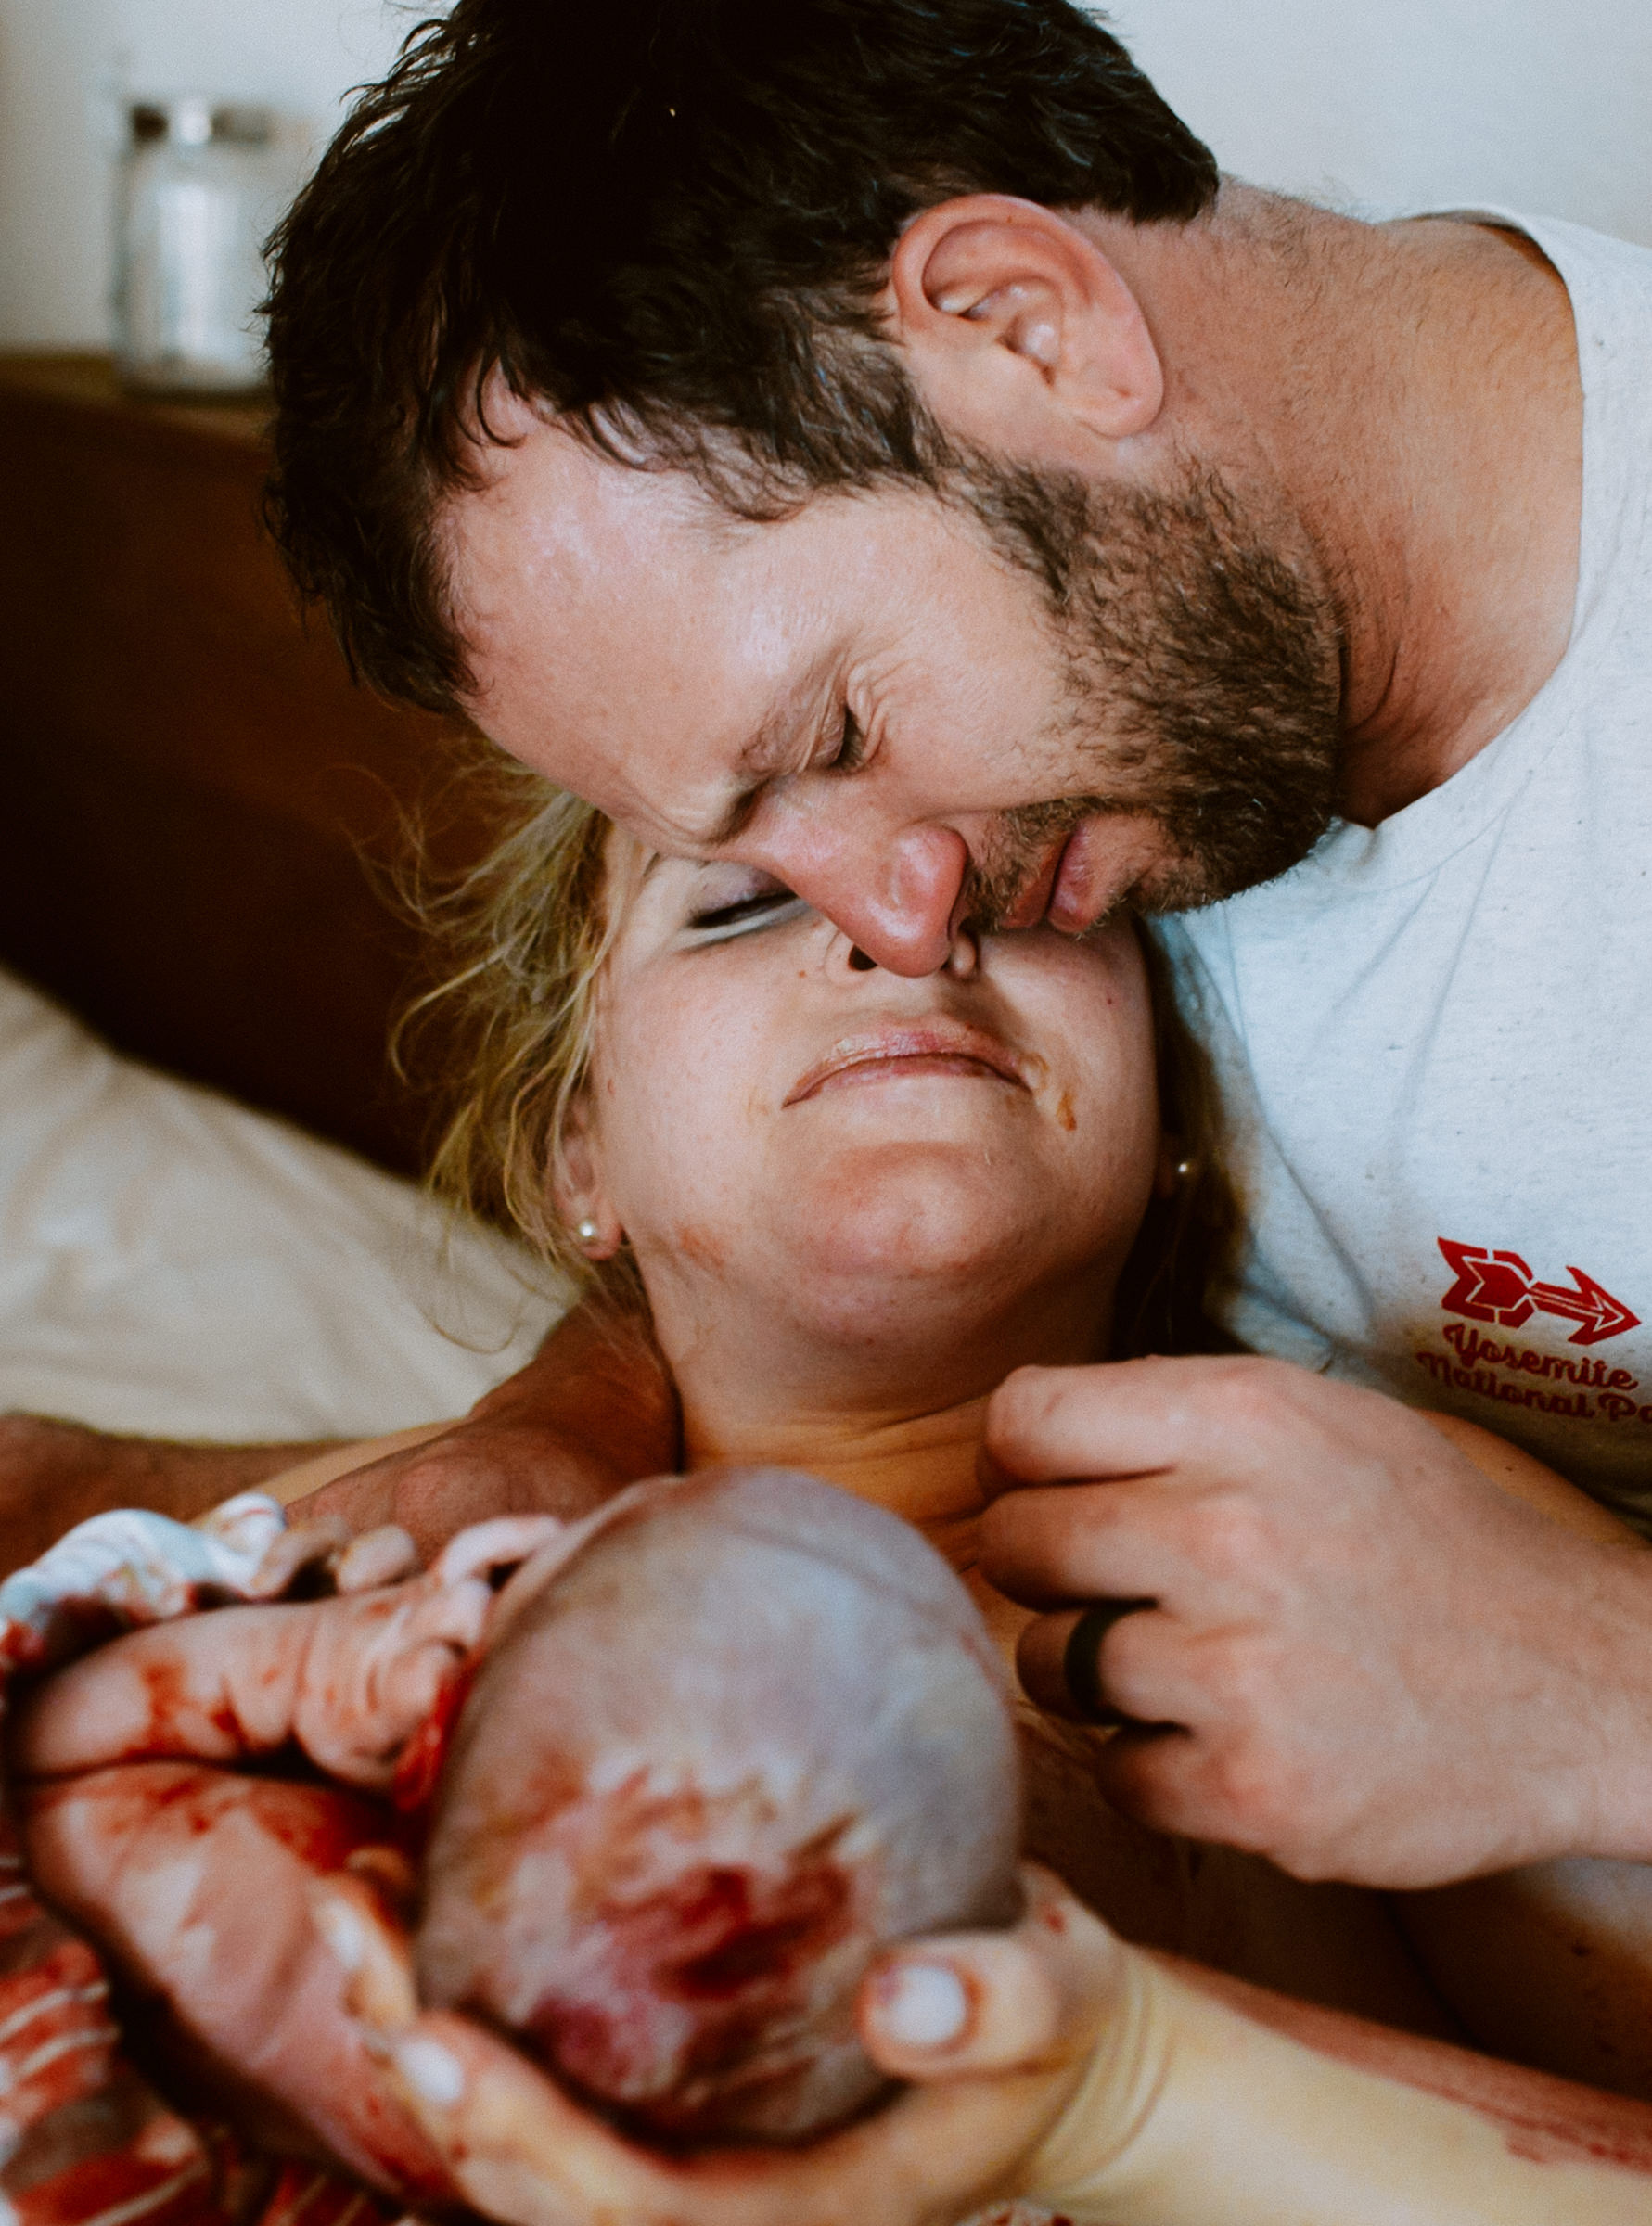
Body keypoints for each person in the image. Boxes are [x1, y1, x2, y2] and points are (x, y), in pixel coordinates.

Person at [6, 0, 1646, 1896]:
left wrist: (1601, 1682)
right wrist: (564, 1423)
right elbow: (799, 1210)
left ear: (1028, 324)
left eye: (837, 740)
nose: (897, 928)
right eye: (745, 872)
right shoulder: (1168, 664)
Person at [9, 803, 1652, 2226]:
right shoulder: (396, 1547)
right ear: (583, 1154)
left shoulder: (1360, 1576)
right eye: (739, 904)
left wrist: (1131, 2078)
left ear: (1172, 1124)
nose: (898, 936)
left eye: (1016, 892)